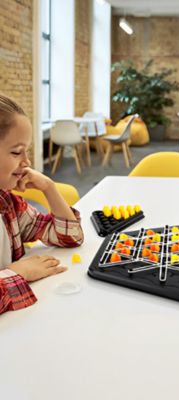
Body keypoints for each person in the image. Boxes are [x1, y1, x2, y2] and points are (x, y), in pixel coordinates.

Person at [0, 93, 84, 314]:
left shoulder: (7, 203)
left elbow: (69, 236)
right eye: (16, 152)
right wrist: (19, 273)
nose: (27, 162)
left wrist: (49, 188)